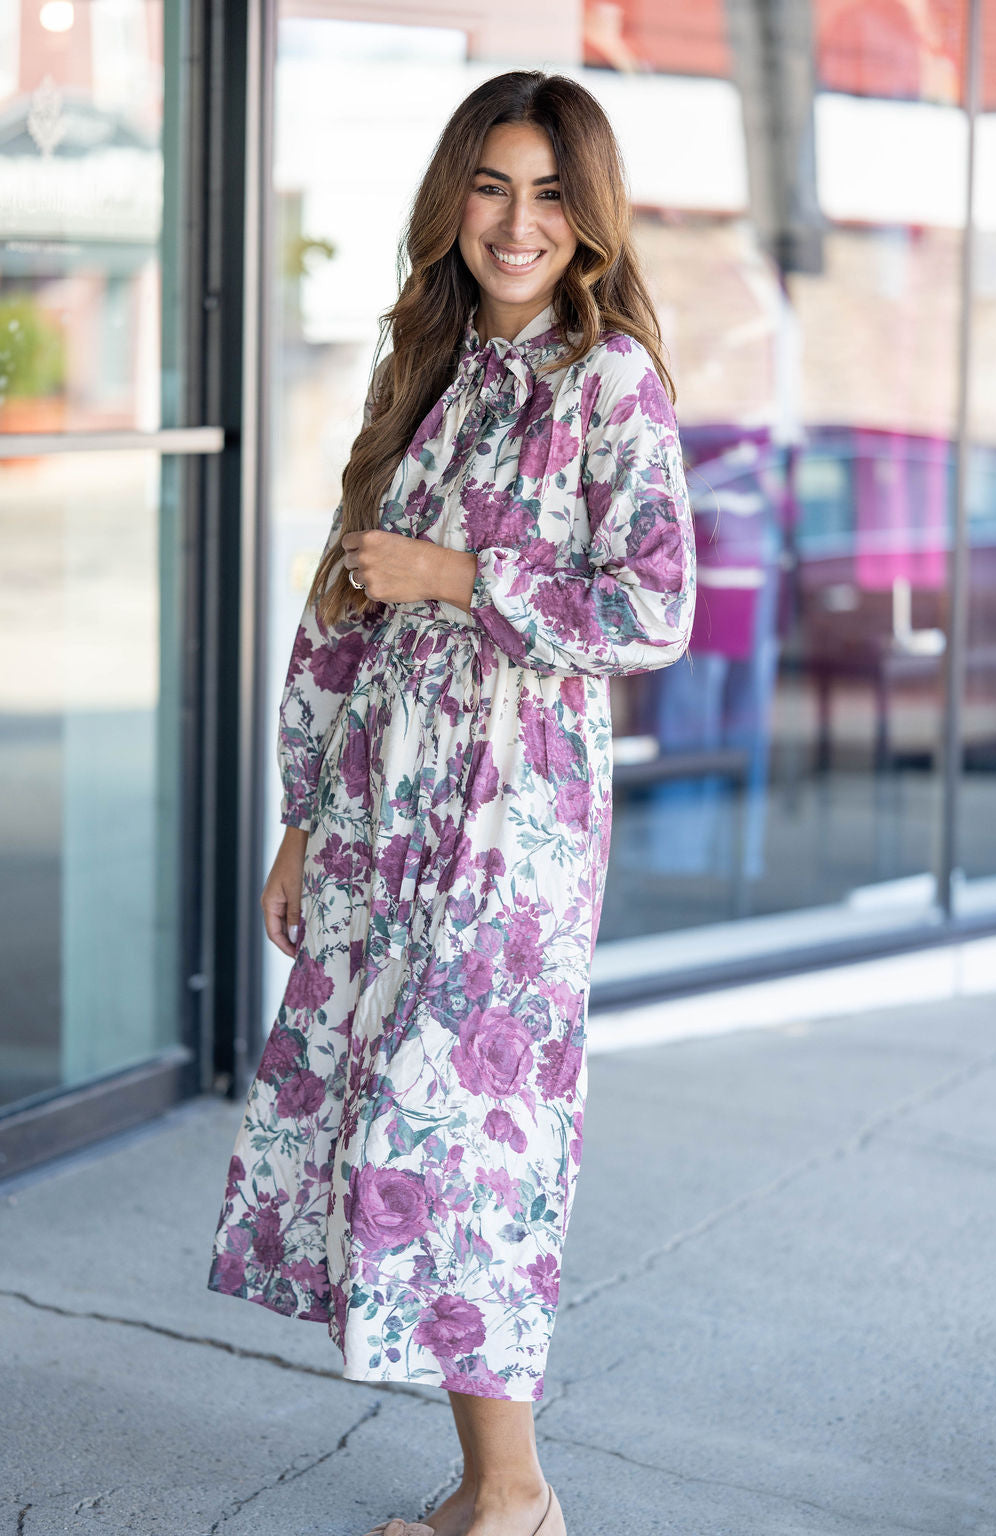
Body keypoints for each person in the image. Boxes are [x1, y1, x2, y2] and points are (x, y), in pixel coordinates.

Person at [208, 69, 695, 1536]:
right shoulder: (424, 367)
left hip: (512, 825)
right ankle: (497, 1488)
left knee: (462, 1134)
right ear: (452, 201)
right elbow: (336, 615)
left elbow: (657, 607)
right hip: (378, 809)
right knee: (388, 1125)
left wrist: (466, 578)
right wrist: (302, 818)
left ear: (588, 217)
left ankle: (515, 1493)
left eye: (549, 192)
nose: (517, 221)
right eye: (492, 185)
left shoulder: (608, 381)